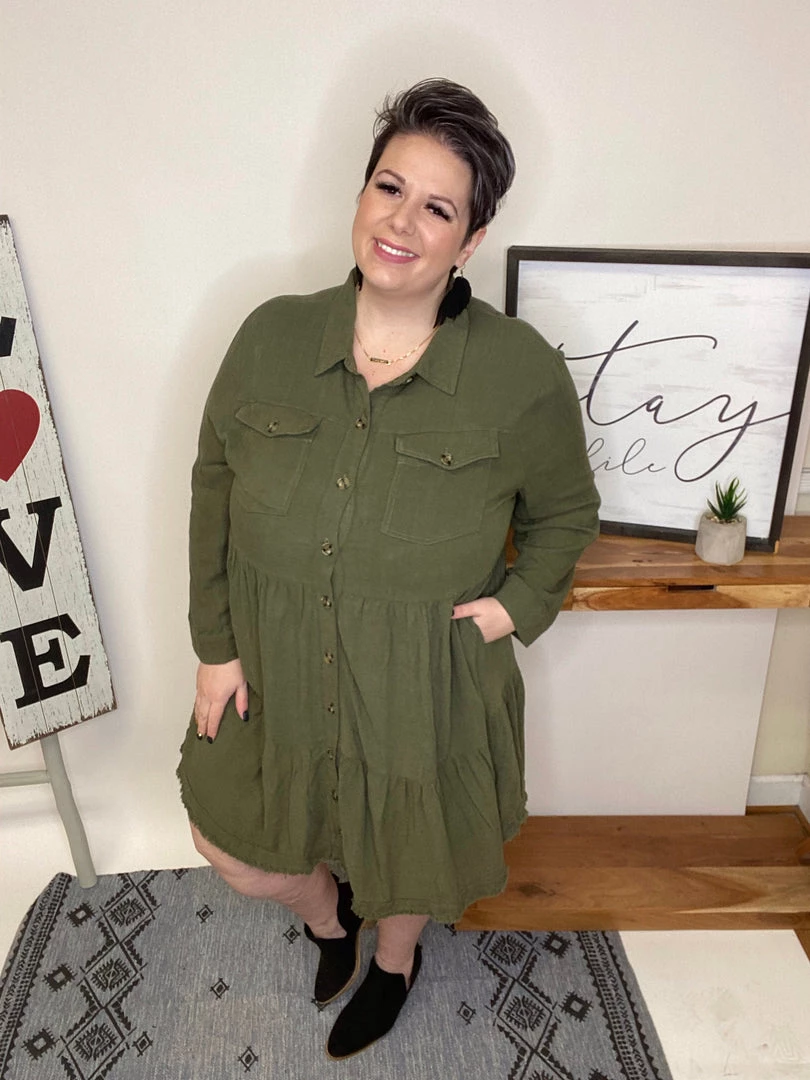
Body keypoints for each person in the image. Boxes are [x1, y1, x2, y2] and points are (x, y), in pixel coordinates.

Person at [177, 77, 599, 1059]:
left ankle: (396, 961)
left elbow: (566, 512)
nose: (402, 223)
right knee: (229, 842)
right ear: (363, 193)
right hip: (276, 669)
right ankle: (331, 919)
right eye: (390, 187)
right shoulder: (270, 336)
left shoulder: (519, 372)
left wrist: (512, 610)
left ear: (471, 240)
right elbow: (212, 487)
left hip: (424, 684)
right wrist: (215, 648)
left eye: (438, 209)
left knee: (411, 852)